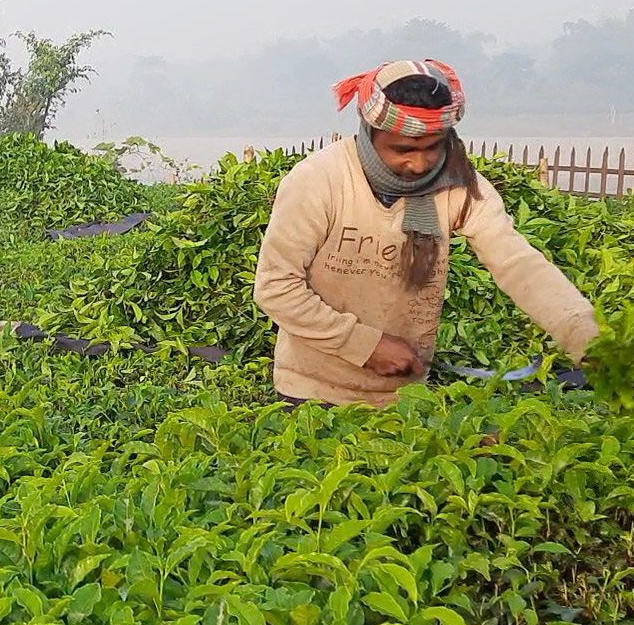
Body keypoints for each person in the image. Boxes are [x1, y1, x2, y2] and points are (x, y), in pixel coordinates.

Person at [252, 59, 599, 407]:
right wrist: (364, 344)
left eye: (431, 148)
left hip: (404, 394)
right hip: (313, 391)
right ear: (370, 135)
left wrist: (583, 334)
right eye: (403, 150)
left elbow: (518, 264)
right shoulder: (318, 180)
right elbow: (276, 287)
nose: (419, 165)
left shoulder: (458, 185)